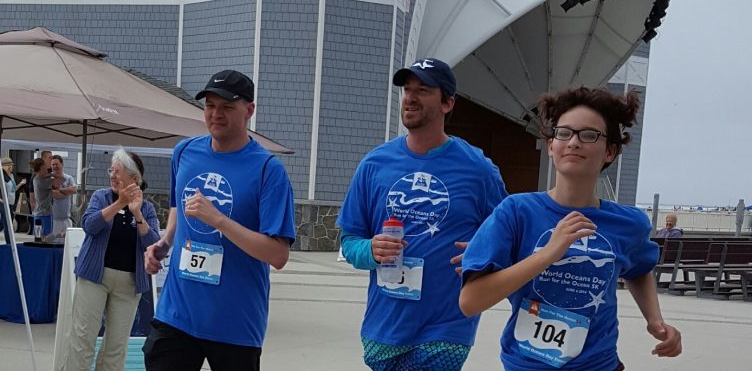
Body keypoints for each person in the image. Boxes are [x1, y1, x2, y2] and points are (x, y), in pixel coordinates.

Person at [460, 87, 682, 371]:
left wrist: (655, 319)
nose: (574, 142)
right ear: (551, 145)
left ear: (610, 151)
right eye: (564, 133)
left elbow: (639, 268)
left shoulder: (630, 223)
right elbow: (469, 301)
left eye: (589, 135)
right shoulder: (516, 212)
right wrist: (546, 255)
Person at [337, 58, 508, 370]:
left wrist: (487, 253)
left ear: (447, 103)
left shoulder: (478, 170)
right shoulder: (375, 164)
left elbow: (509, 237)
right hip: (384, 327)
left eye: (423, 90)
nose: (411, 98)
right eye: (407, 90)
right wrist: (370, 251)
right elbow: (349, 242)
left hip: (446, 328)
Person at [142, 69, 296, 371]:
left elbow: (278, 255)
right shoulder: (184, 151)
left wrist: (219, 219)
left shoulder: (268, 170)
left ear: (249, 110)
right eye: (210, 105)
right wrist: (165, 242)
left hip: (234, 323)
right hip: (177, 315)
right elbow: (178, 206)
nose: (216, 114)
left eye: (227, 106)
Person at [65, 148, 160, 371]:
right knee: (83, 339)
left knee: (116, 346)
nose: (112, 175)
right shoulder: (101, 197)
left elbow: (154, 244)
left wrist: (137, 214)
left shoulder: (147, 209)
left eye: (118, 171)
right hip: (94, 278)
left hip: (129, 284)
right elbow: (89, 225)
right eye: (111, 170)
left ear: (134, 179)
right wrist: (119, 203)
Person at [50, 154, 77, 237]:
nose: (54, 166)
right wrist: (66, 192)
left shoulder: (69, 178)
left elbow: (74, 190)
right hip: (54, 219)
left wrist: (60, 189)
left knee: (67, 243)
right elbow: (57, 195)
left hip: (67, 218)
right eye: (53, 165)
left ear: (62, 164)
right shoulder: (49, 179)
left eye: (56, 164)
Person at [31, 156, 54, 237]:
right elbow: (58, 181)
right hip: (45, 213)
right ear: (41, 168)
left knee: (38, 236)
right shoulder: (44, 183)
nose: (47, 169)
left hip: (38, 213)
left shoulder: (35, 179)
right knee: (46, 237)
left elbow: (46, 176)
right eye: (45, 167)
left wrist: (51, 173)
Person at [1, 157, 18, 243]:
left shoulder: (11, 176)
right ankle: (9, 242)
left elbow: (13, 189)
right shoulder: (2, 177)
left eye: (11, 165)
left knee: (3, 223)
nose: (10, 167)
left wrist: (21, 184)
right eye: (8, 165)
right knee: (8, 223)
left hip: (11, 202)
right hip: (4, 202)